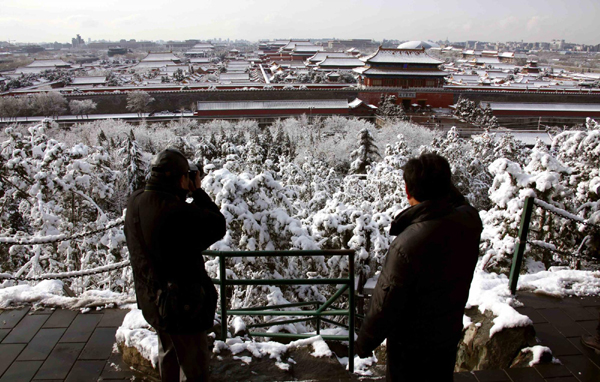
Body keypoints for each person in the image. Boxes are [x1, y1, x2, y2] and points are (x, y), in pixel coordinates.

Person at [355, 153, 483, 381]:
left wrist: (363, 343)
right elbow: (460, 202)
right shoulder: (469, 221)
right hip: (448, 331)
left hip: (410, 348)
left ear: (407, 190)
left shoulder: (407, 244)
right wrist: (441, 184)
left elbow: (384, 304)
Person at [125, 148, 226, 382]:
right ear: (182, 178)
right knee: (194, 366)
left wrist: (180, 191)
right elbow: (217, 225)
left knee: (169, 354)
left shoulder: (136, 201)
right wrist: (198, 191)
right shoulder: (177, 212)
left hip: (154, 299)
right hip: (183, 306)